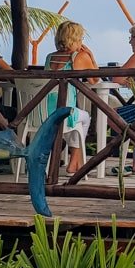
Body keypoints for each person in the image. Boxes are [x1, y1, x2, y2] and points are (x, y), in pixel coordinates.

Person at [45, 21, 99, 180]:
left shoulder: (50, 57)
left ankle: (75, 163)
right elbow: (94, 80)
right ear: (74, 39)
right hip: (65, 113)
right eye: (80, 38)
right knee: (85, 117)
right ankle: (75, 161)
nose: (82, 42)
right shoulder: (78, 57)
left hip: (43, 114)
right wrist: (91, 56)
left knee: (74, 119)